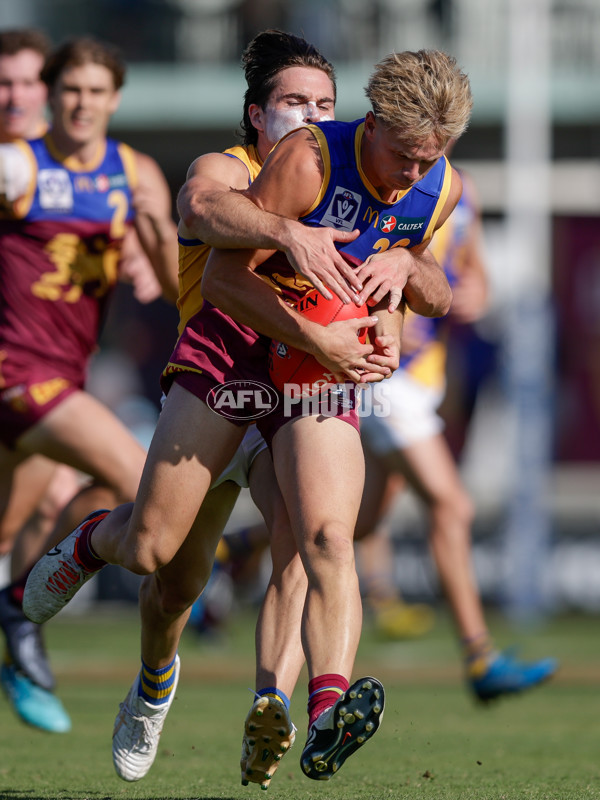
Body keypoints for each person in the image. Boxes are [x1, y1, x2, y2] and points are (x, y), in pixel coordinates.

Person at [23, 45, 467, 787]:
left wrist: (405, 272)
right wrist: (313, 312)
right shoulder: (304, 163)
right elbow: (224, 279)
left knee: (323, 536)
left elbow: (434, 290)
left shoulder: (437, 183)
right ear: (374, 121)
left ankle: (323, 707)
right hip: (231, 359)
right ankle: (94, 548)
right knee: (156, 556)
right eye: (403, 156)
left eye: (429, 160)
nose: (412, 175)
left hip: (317, 378)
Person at [0, 35, 179, 731]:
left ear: (115, 99)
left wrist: (150, 234)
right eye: (70, 90)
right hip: (20, 375)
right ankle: (19, 615)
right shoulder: (19, 165)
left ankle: (18, 637)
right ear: (54, 95)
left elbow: (172, 286)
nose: (81, 103)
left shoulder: (133, 173)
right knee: (149, 486)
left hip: (62, 381)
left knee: (31, 522)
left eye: (95, 92)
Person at [357, 164, 557, 699]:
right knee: (452, 507)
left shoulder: (460, 190)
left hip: (425, 378)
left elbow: (475, 273)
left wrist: (477, 294)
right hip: (384, 375)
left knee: (353, 522)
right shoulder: (380, 177)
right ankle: (480, 659)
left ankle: (239, 551)